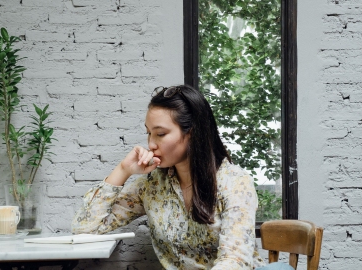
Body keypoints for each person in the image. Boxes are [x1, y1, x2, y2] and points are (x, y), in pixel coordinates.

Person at [72, 85, 293, 270]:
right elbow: (85, 229)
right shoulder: (152, 186)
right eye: (149, 132)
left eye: (160, 134)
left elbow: (234, 260)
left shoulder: (234, 182)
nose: (151, 144)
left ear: (192, 133)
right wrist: (123, 170)